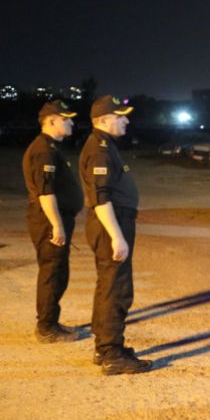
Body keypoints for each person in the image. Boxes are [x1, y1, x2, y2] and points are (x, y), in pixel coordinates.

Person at [79, 95, 151, 375]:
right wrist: (116, 236)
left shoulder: (105, 145)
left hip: (113, 221)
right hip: (111, 222)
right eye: (121, 116)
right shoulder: (99, 150)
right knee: (117, 288)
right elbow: (101, 198)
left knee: (108, 285)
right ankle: (112, 353)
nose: (126, 120)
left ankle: (105, 347)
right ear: (103, 120)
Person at [21, 99, 84, 343]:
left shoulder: (51, 148)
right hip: (48, 220)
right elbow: (45, 193)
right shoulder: (43, 151)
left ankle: (51, 321)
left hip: (55, 218)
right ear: (51, 121)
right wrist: (57, 225)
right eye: (66, 119)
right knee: (52, 272)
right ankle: (46, 328)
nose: (71, 123)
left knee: (59, 272)